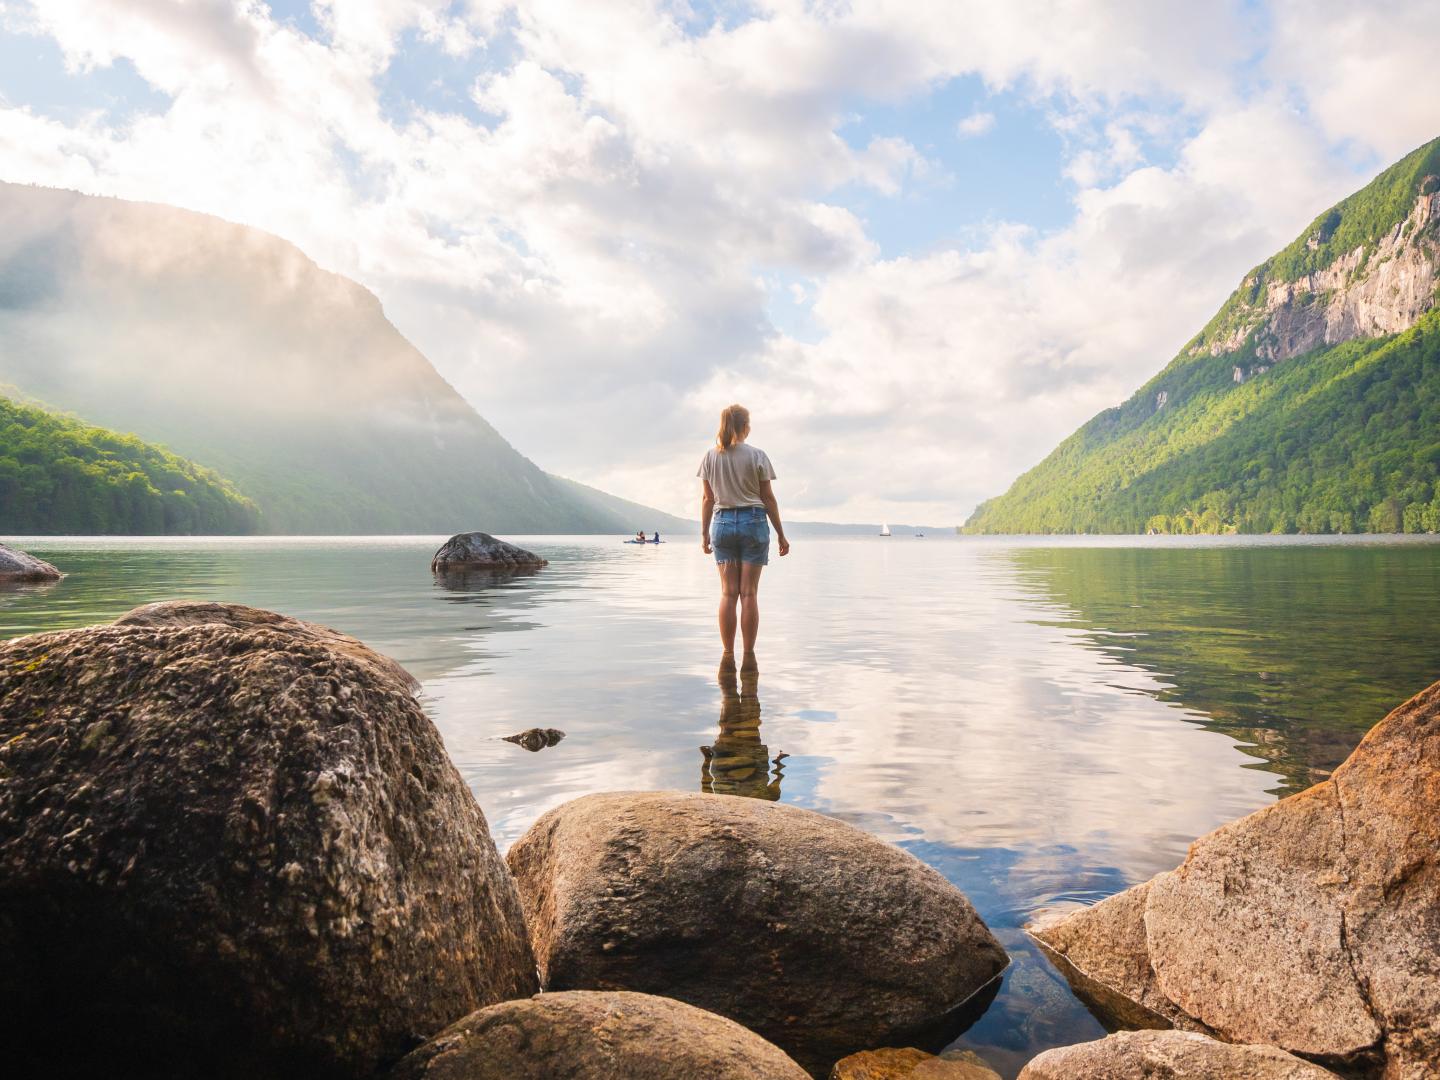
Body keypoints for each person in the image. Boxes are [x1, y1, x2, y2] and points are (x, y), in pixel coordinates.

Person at [697, 403, 789, 673]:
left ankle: (728, 655)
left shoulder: (710, 457)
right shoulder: (757, 455)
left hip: (722, 524)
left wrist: (704, 534)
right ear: (745, 426)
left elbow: (707, 499)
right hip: (753, 523)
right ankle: (748, 657)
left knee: (728, 593)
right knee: (748, 593)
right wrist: (781, 534)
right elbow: (768, 498)